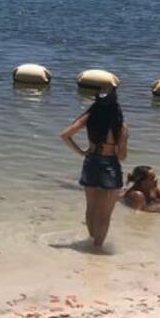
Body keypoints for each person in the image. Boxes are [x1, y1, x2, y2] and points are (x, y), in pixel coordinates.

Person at [60, 86, 128, 247]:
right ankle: (97, 248)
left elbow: (65, 135)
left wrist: (81, 152)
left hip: (91, 162)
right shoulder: (121, 126)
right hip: (110, 165)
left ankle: (91, 242)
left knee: (91, 209)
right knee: (104, 215)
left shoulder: (88, 118)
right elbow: (122, 156)